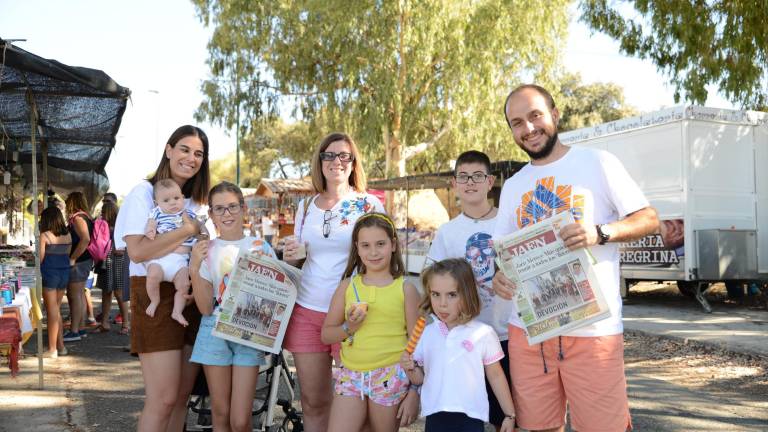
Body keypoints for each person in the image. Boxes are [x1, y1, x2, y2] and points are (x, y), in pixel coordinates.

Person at [493, 84, 659, 432]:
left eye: (535, 115)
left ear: (554, 114)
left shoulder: (598, 162)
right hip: (530, 333)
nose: (528, 128)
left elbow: (649, 219)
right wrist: (501, 277)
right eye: (517, 122)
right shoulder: (513, 186)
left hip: (592, 330)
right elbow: (503, 255)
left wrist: (599, 233)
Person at [282, 132, 419, 431]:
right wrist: (292, 257)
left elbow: (384, 249)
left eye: (344, 155)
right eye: (329, 155)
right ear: (319, 161)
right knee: (313, 400)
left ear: (353, 162)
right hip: (308, 308)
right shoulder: (305, 207)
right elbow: (298, 260)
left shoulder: (368, 203)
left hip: (358, 310)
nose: (336, 162)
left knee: (364, 406)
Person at [114, 125, 210, 432]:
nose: (191, 158)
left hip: (191, 293)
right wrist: (186, 230)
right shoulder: (144, 193)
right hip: (154, 292)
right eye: (184, 149)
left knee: (182, 397)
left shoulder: (198, 200)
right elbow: (139, 252)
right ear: (168, 150)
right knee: (163, 398)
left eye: (198, 153)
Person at [425, 150, 513, 431]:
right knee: (466, 417)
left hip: (506, 333)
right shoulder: (447, 232)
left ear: (490, 182)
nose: (470, 182)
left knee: (508, 416)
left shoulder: (509, 222)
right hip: (464, 338)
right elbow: (430, 278)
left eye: (477, 176)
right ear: (454, 184)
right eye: (463, 176)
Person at [320, 212, 420, 431]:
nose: (373, 252)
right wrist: (349, 327)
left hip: (391, 375)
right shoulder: (348, 286)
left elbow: (418, 346)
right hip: (351, 374)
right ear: (357, 248)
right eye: (365, 245)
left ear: (393, 245)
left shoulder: (406, 289)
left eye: (380, 244)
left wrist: (415, 391)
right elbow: (327, 334)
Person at [190, 181, 274, 432]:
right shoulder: (206, 250)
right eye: (219, 209)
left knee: (240, 420)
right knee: (220, 413)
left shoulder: (260, 248)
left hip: (248, 333)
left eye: (232, 207)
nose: (226, 214)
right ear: (212, 214)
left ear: (243, 208)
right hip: (213, 331)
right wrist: (194, 266)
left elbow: (274, 299)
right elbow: (205, 308)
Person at [400, 258, 516, 432]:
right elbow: (420, 379)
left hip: (470, 417)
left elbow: (496, 376)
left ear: (467, 294)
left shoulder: (483, 333)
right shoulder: (427, 333)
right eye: (435, 294)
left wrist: (509, 414)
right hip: (435, 415)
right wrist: (410, 367)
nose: (442, 303)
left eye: (452, 295)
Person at [143, 179, 197, 326]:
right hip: (161, 259)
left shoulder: (188, 214)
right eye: (166, 200)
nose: (173, 203)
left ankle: (177, 311)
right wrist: (151, 230)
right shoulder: (157, 213)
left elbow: (198, 228)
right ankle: (155, 300)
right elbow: (151, 224)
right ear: (157, 202)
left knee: (184, 285)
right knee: (152, 275)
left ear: (182, 197)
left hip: (180, 262)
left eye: (176, 198)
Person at [39, 207, 72, 357]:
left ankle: (52, 349)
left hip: (50, 273)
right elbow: (67, 254)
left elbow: (40, 258)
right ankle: (61, 346)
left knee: (52, 311)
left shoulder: (44, 236)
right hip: (64, 273)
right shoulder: (68, 235)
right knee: (56, 310)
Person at [94, 200, 130, 335]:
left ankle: (125, 323)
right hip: (107, 259)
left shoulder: (121, 225)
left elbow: (127, 243)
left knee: (119, 292)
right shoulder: (105, 225)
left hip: (117, 259)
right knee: (106, 291)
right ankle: (105, 322)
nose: (102, 214)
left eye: (104, 212)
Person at [62, 191, 94, 342]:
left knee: (74, 296)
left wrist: (73, 258)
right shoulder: (85, 216)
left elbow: (85, 239)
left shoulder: (78, 218)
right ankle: (80, 328)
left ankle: (74, 330)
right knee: (79, 295)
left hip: (79, 261)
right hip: (84, 260)